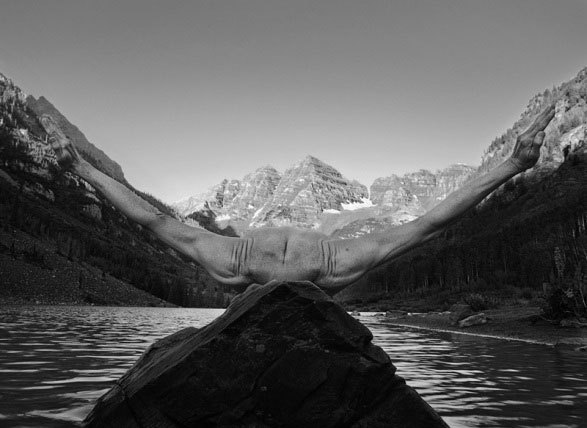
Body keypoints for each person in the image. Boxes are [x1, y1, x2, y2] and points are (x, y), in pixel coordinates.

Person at [40, 105, 555, 294]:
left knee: (419, 229)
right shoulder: (251, 260)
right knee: (419, 230)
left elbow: (152, 220)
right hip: (304, 273)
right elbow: (428, 224)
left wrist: (82, 168)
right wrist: (510, 165)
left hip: (273, 273)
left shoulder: (234, 258)